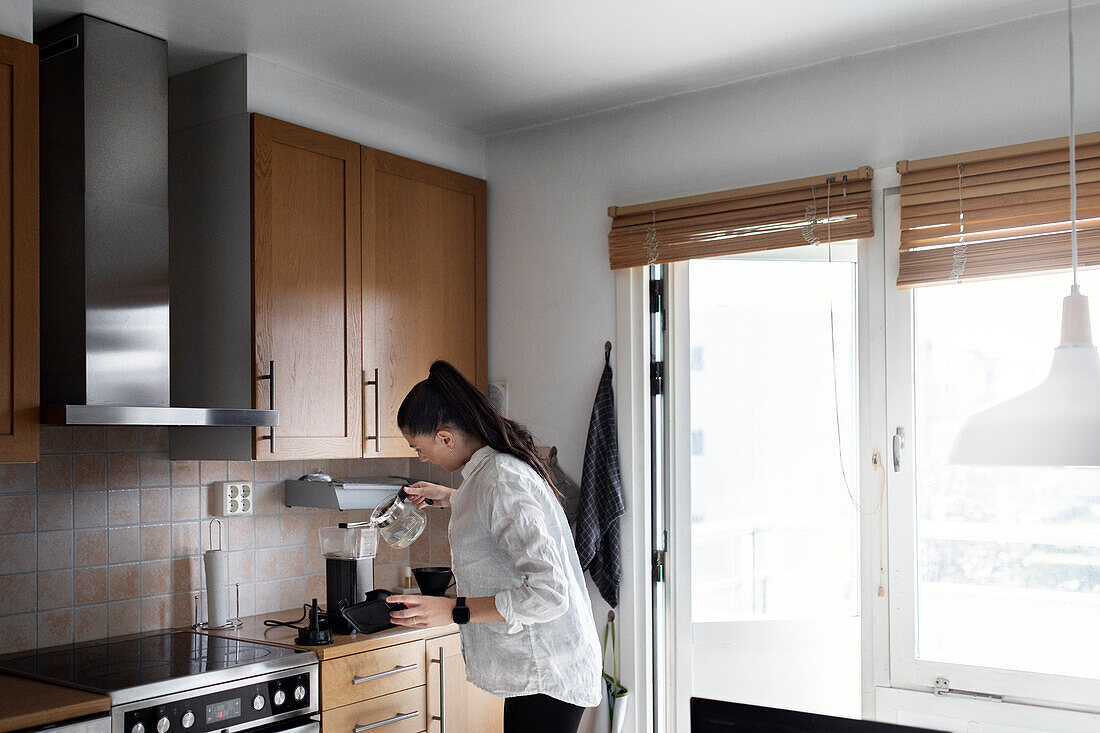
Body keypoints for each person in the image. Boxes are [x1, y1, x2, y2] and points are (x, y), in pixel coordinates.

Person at [387, 360, 603, 733]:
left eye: (420, 448)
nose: (423, 458)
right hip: (540, 672)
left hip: (546, 672)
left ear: (445, 438)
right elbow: (502, 517)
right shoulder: (491, 475)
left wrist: (453, 610)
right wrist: (454, 497)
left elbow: (550, 594)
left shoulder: (501, 478)